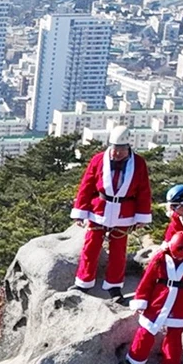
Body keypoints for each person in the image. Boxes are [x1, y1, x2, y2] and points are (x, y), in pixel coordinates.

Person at [71, 127, 153, 301]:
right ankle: (84, 282)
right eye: (114, 149)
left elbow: (144, 191)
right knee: (91, 247)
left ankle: (114, 287)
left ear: (127, 147)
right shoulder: (98, 160)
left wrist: (142, 215)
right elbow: (86, 186)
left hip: (124, 212)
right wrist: (80, 211)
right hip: (99, 209)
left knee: (118, 252)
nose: (116, 153)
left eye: (120, 150)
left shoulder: (138, 163)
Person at [125, 231, 183, 364]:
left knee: (174, 338)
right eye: (175, 255)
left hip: (180, 302)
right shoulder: (160, 257)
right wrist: (141, 300)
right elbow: (148, 280)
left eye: (181, 256)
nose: (178, 258)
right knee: (145, 331)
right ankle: (134, 360)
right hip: (159, 299)